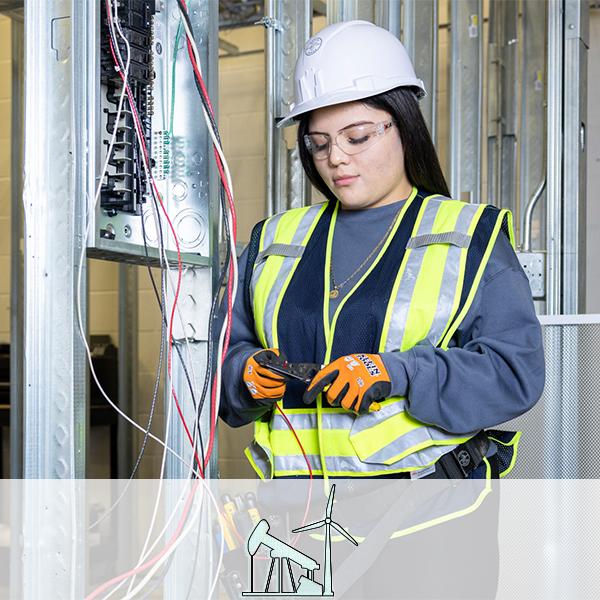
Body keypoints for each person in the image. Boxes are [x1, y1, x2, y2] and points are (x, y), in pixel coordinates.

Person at [220, 20, 545, 483]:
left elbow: (515, 372)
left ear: (405, 125)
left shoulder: (468, 234)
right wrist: (244, 376)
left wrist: (399, 372)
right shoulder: (274, 242)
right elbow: (224, 359)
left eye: (356, 137)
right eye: (318, 144)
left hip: (426, 522)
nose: (336, 158)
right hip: (303, 521)